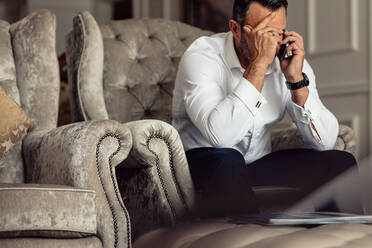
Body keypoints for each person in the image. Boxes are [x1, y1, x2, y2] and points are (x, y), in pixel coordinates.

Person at [172, 0, 359, 215]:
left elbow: (325, 141)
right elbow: (221, 138)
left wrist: (296, 80)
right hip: (202, 163)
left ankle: (342, 239)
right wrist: (259, 64)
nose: (273, 42)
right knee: (228, 159)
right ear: (235, 29)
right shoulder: (202, 55)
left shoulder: (288, 60)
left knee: (340, 161)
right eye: (264, 33)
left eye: (278, 33)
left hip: (255, 163)